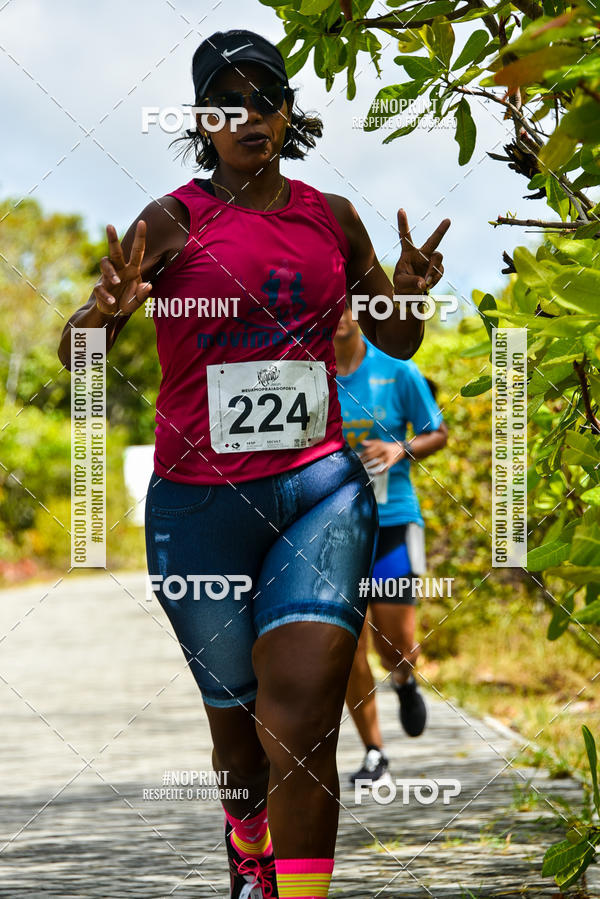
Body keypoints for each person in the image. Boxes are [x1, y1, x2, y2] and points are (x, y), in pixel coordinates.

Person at [58, 29, 450, 899]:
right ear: (201, 119)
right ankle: (248, 842)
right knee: (239, 733)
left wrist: (410, 294)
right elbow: (77, 357)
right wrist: (104, 310)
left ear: (288, 111)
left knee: (306, 720)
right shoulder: (169, 221)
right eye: (226, 102)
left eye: (264, 97)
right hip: (200, 509)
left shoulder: (332, 217)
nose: (249, 116)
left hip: (320, 490)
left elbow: (392, 336)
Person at [334, 304, 448, 785]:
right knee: (346, 648)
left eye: (347, 305)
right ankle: (374, 752)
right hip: (331, 528)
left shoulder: (397, 368)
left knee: (393, 644)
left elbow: (438, 432)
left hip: (393, 521)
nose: (337, 315)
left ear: (362, 311)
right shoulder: (306, 371)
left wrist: (399, 448)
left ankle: (403, 679)